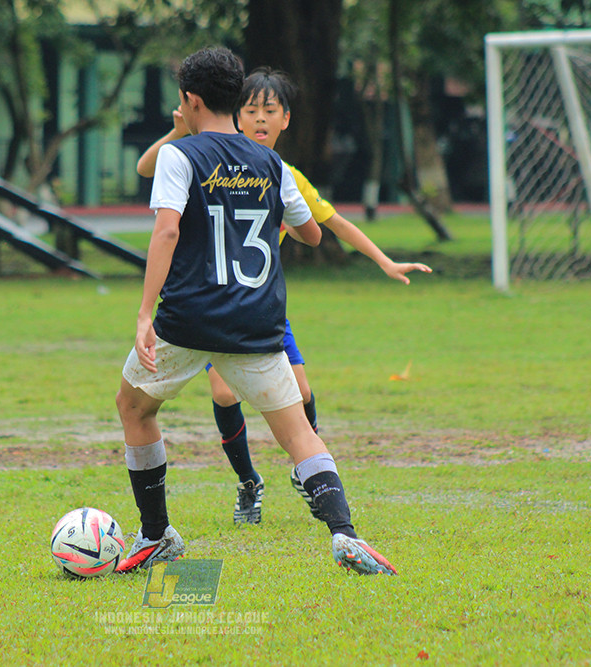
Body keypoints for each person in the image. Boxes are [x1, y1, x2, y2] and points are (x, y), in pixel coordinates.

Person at [115, 46, 396, 576]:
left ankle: (156, 535)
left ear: (190, 101)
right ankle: (344, 533)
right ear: (236, 100)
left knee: (134, 408)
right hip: (256, 320)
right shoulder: (272, 163)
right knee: (298, 435)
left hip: (189, 318)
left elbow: (168, 228)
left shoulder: (182, 155)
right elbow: (311, 234)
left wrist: (144, 313)